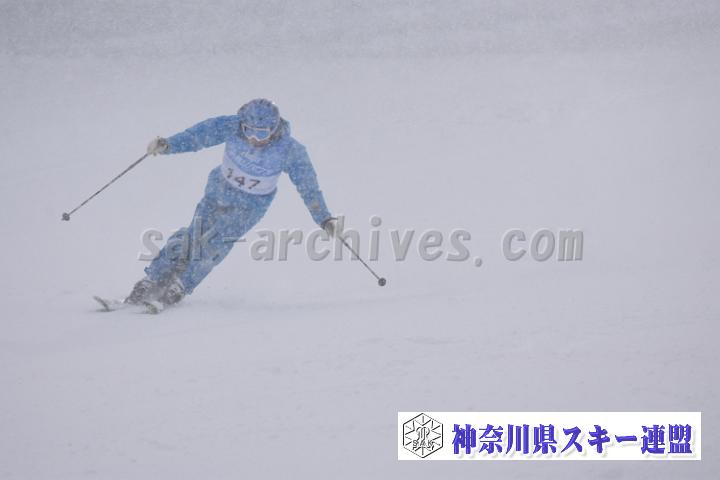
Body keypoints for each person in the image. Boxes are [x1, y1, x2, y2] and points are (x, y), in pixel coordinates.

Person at [126, 98, 337, 306]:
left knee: (217, 243)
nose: (253, 138)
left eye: (262, 133)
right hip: (219, 190)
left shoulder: (290, 150)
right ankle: (154, 277)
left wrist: (324, 219)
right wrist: (168, 145)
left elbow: (309, 187)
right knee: (194, 234)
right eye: (248, 130)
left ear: (274, 129)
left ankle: (182, 283)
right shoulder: (231, 126)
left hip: (251, 206)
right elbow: (198, 136)